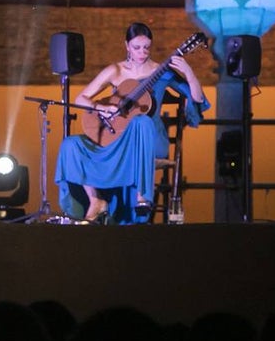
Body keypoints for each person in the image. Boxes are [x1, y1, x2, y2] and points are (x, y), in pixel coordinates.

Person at [54, 22, 209, 224]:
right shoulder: (116, 70)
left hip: (149, 138)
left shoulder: (161, 71)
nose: (142, 52)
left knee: (141, 121)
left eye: (146, 47)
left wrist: (189, 73)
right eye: (136, 47)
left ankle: (142, 196)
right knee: (71, 144)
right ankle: (96, 200)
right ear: (127, 45)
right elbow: (81, 98)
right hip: (117, 138)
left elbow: (197, 98)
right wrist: (101, 108)